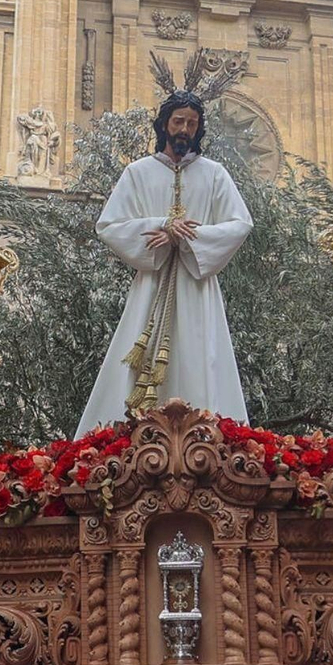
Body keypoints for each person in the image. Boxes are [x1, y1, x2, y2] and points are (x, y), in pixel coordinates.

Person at [77, 57, 253, 437]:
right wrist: (159, 226)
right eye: (178, 122)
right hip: (152, 285)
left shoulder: (214, 174)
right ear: (164, 125)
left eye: (192, 123)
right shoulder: (138, 173)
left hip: (197, 285)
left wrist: (189, 237)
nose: (185, 129)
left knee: (200, 354)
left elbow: (240, 224)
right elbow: (108, 225)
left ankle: (206, 438)